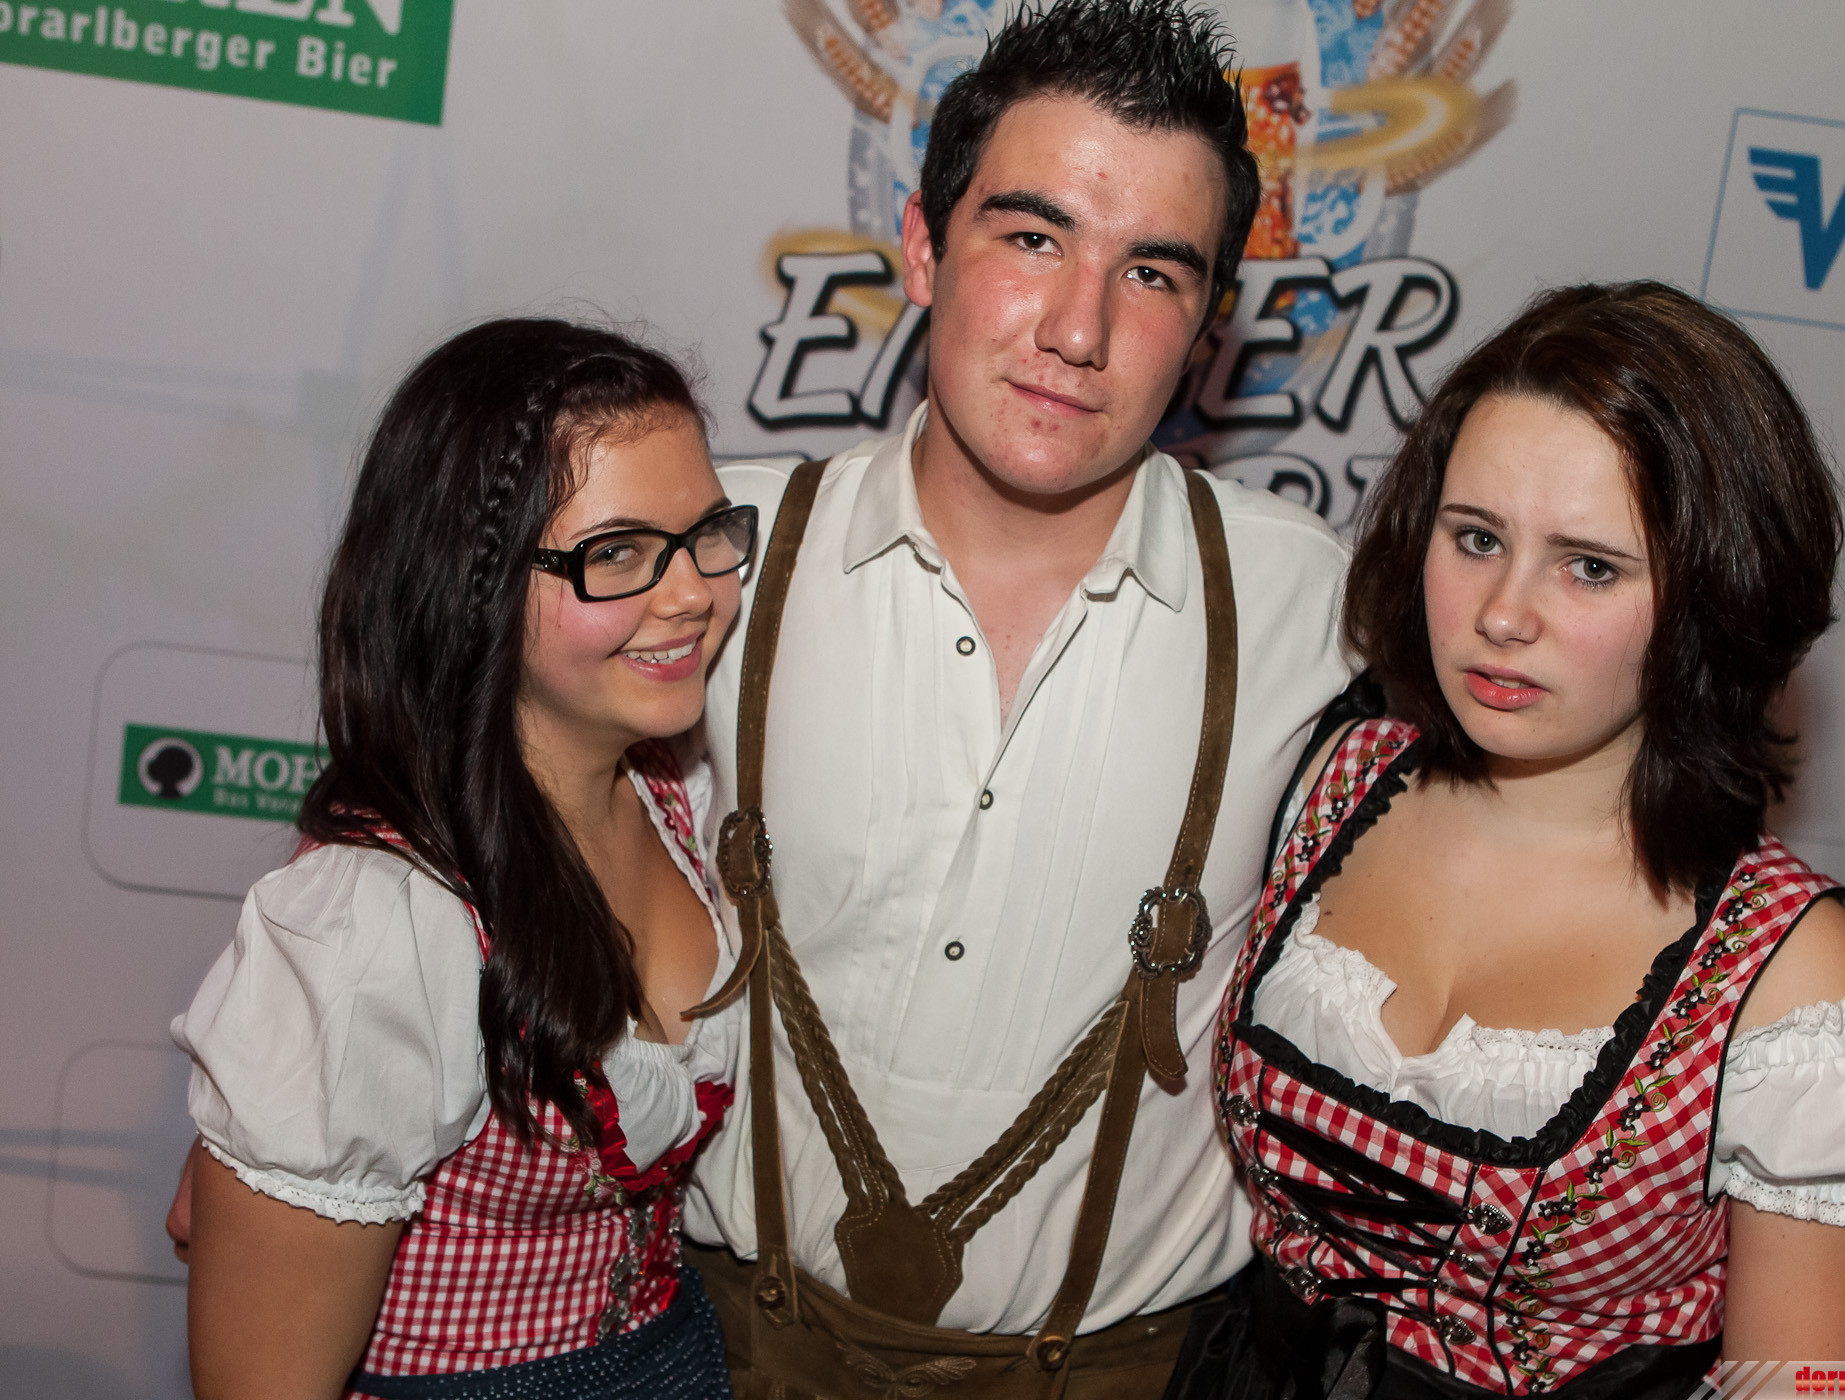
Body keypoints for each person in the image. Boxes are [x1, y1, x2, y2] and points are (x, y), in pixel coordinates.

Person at [679, 1, 1352, 1394]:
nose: (1078, 328)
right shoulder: (709, 555)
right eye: (1033, 238)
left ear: (1207, 328)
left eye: (1152, 272)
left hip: (1124, 1374)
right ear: (924, 248)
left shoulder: (1321, 614)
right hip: (718, 1349)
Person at [1199, 281, 1845, 1397]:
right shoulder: (1330, 780)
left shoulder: (1794, 984)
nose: (1503, 613)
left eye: (1590, 565)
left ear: (1713, 595)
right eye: (1476, 538)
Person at [170, 319, 751, 1400]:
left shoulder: (676, 785)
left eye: (706, 531)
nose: (689, 594)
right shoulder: (379, 925)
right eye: (616, 553)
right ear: (470, 576)